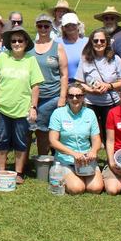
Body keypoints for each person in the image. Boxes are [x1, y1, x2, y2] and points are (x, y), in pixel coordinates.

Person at [0, 25, 43, 182]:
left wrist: (33, 107)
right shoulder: (2, 57)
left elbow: (35, 86)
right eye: (13, 41)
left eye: (20, 40)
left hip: (22, 108)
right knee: (1, 139)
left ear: (26, 42)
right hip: (1, 107)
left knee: (21, 140)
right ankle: (2, 171)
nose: (17, 43)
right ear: (9, 43)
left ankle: (18, 172)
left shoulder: (31, 60)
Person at [48, 87, 103, 195]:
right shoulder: (58, 113)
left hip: (86, 160)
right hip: (66, 160)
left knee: (95, 188)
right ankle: (57, 173)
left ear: (83, 97)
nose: (74, 99)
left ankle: (79, 177)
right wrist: (73, 153)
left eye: (78, 96)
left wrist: (93, 151)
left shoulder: (90, 113)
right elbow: (53, 141)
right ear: (67, 98)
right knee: (77, 189)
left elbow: (96, 139)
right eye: (71, 96)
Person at [74, 29, 121, 130]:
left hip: (111, 103)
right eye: (96, 41)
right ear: (91, 42)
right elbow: (79, 83)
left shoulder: (115, 59)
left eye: (102, 41)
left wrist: (108, 86)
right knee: (92, 133)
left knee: (110, 133)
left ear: (107, 43)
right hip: (90, 103)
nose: (99, 43)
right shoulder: (84, 59)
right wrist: (92, 90)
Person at [31, 14, 68, 157]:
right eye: (40, 26)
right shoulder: (30, 47)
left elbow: (64, 74)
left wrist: (62, 97)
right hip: (32, 96)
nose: (43, 29)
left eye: (46, 26)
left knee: (45, 129)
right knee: (30, 129)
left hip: (52, 95)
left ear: (51, 27)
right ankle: (33, 161)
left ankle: (45, 159)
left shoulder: (57, 47)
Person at [58, 13, 88, 82]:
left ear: (78, 25)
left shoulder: (87, 42)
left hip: (85, 83)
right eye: (67, 26)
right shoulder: (57, 42)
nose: (70, 27)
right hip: (64, 82)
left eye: (73, 25)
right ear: (63, 28)